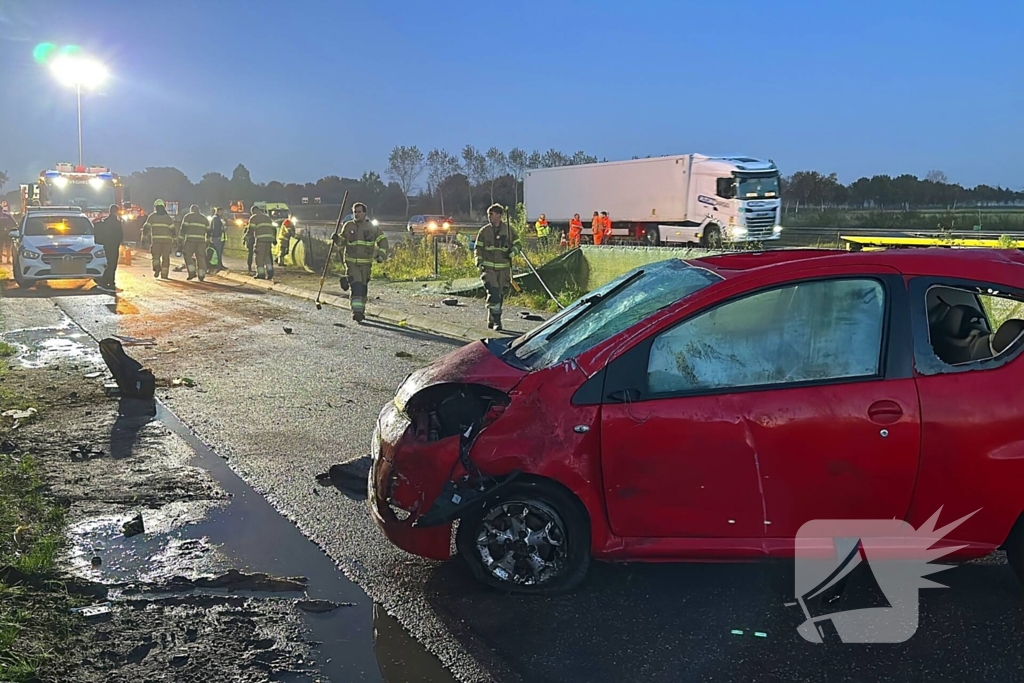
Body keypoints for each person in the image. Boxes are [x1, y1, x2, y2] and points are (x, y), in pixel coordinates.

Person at [333, 202, 387, 322]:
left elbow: (382, 241)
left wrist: (381, 255)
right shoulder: (348, 226)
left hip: (366, 265)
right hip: (351, 263)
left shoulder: (372, 228)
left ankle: (361, 311)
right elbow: (342, 241)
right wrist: (337, 239)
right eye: (354, 212)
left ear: (364, 213)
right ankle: (356, 311)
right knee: (356, 287)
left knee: (363, 289)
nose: (356, 214)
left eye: (359, 212)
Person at [475, 203, 521, 331]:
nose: (489, 217)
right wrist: (479, 261)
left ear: (499, 216)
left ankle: (492, 317)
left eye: (491, 214)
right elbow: (478, 248)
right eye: (488, 214)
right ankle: (497, 322)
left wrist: (513, 252)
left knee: (499, 295)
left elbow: (518, 244)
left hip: (503, 269)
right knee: (493, 291)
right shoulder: (484, 231)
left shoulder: (509, 230)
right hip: (488, 268)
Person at [92, 204, 124, 290]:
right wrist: (118, 243)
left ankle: (106, 280)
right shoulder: (116, 222)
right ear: (116, 211)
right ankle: (108, 280)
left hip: (106, 246)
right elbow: (120, 235)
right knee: (113, 264)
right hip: (114, 246)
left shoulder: (104, 222)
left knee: (108, 263)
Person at [143, 199, 176, 279]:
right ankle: (164, 274)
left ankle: (157, 267)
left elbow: (146, 227)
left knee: (156, 256)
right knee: (166, 258)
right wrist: (175, 240)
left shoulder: (152, 217)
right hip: (167, 242)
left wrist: (144, 237)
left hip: (156, 241)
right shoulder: (167, 218)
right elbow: (173, 230)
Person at [179, 204, 210, 281]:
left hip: (190, 240)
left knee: (187, 255)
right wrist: (208, 240)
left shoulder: (188, 217)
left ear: (191, 210)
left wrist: (180, 240)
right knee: (201, 257)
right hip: (201, 241)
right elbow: (209, 231)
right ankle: (201, 275)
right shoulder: (204, 218)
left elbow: (183, 229)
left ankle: (192, 272)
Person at [247, 205, 277, 280]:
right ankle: (270, 271)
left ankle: (261, 274)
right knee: (267, 256)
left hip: (260, 240)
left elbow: (251, 229)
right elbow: (274, 229)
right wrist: (273, 239)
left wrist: (247, 237)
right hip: (269, 240)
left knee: (259, 258)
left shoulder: (254, 217)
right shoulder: (267, 217)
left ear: (253, 211)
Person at [209, 207, 226, 272]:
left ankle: (219, 264)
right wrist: (218, 236)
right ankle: (219, 265)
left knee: (219, 252)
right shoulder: (216, 219)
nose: (222, 213)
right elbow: (216, 228)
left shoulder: (216, 218)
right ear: (217, 212)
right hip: (216, 238)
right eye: (220, 212)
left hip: (217, 237)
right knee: (218, 252)